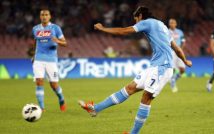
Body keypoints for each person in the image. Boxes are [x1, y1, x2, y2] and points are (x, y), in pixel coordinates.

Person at [78, 6, 192, 134]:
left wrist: (103, 28)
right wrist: (185, 60)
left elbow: (124, 31)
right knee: (130, 88)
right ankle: (95, 109)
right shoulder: (162, 26)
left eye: (136, 20)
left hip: (163, 67)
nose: (136, 23)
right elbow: (176, 47)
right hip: (154, 66)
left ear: (140, 16)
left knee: (146, 97)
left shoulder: (147, 22)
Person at [32, 9, 67, 111]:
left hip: (51, 60)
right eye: (42, 15)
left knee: (54, 85)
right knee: (39, 81)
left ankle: (61, 98)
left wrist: (58, 41)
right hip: (38, 59)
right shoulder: (35, 29)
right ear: (40, 16)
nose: (44, 16)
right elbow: (35, 42)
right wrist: (34, 55)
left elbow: (65, 43)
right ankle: (42, 108)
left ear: (50, 16)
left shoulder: (56, 28)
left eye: (46, 15)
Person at [169, 18, 186, 93]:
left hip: (179, 51)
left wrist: (181, 49)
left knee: (182, 70)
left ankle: (173, 79)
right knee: (173, 69)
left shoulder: (180, 32)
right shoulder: (166, 32)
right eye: (171, 23)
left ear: (176, 24)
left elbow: (183, 42)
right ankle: (173, 85)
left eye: (174, 23)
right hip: (171, 52)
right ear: (169, 24)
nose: (172, 24)